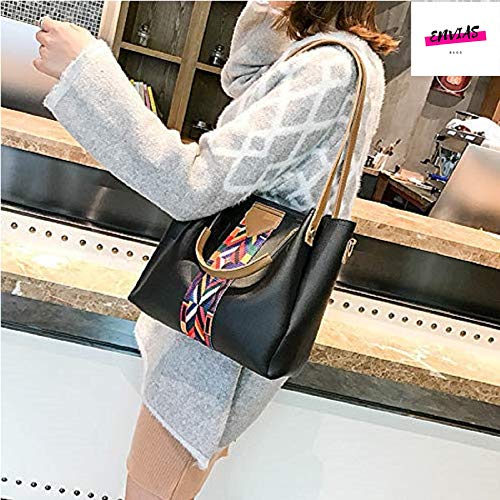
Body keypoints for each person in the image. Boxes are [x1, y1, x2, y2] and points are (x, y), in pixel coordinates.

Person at [34, 1, 396, 498]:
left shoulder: (330, 68)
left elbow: (196, 184)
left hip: (214, 338)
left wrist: (86, 74)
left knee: (153, 486)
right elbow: (244, 79)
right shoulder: (327, 57)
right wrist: (270, 10)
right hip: (219, 317)